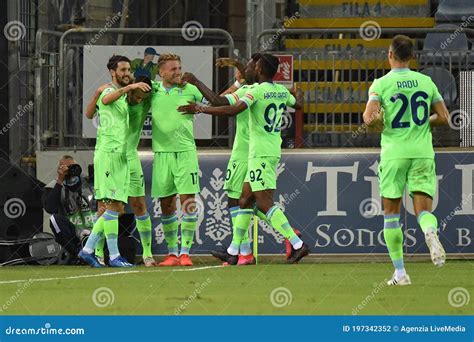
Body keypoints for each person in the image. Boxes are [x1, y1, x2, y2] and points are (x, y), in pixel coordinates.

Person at [179, 53, 309, 264]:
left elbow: (232, 110)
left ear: (258, 69)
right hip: (270, 150)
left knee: (264, 203)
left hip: (259, 153)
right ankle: (234, 251)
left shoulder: (255, 91)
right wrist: (299, 91)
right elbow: (299, 104)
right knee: (244, 201)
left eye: (251, 65)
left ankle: (297, 243)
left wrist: (200, 108)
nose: (247, 69)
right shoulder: (280, 91)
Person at [362, 35, 449, 286]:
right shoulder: (426, 81)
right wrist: (422, 122)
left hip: (394, 154)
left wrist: (378, 120)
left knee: (391, 214)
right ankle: (429, 232)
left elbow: (368, 118)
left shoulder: (381, 83)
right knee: (424, 210)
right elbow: (444, 117)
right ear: (412, 57)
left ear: (390, 55)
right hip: (422, 152)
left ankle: (400, 273)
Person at [79, 55, 151, 268]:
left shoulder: (118, 95)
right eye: (123, 70)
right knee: (112, 206)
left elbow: (90, 112)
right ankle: (111, 254)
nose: (127, 73)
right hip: (109, 154)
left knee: (115, 207)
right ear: (112, 71)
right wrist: (129, 88)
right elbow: (106, 100)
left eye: (129, 70)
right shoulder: (109, 90)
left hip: (116, 154)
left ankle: (88, 250)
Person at [150, 53, 205, 267]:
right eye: (173, 69)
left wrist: (198, 107)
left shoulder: (191, 89)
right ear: (161, 72)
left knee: (188, 201)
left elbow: (217, 104)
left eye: (179, 68)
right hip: (162, 153)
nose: (178, 72)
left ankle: (185, 253)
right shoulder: (152, 91)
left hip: (185, 152)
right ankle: (172, 253)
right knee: (166, 203)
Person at [42, 155, 100, 263]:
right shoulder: (52, 187)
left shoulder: (89, 181)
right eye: (66, 168)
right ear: (59, 170)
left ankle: (103, 251)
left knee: (112, 213)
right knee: (54, 219)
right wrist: (60, 180)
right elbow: (50, 208)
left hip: (96, 229)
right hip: (74, 234)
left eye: (73, 167)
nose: (70, 171)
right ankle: (79, 254)